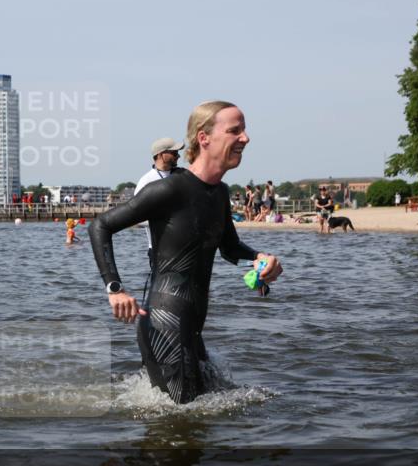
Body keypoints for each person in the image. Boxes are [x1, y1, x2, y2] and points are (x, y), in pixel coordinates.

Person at [88, 101, 282, 404]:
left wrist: (260, 258)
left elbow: (230, 246)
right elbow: (100, 226)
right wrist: (115, 288)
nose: (245, 138)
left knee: (199, 416)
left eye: (244, 130)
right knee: (179, 433)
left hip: (191, 326)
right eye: (235, 130)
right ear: (204, 138)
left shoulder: (218, 192)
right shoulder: (170, 189)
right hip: (165, 324)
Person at [135, 138, 184, 259]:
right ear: (161, 155)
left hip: (185, 248)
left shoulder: (183, 175)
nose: (178, 156)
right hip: (159, 250)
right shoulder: (146, 181)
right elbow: (136, 217)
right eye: (174, 152)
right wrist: (166, 219)